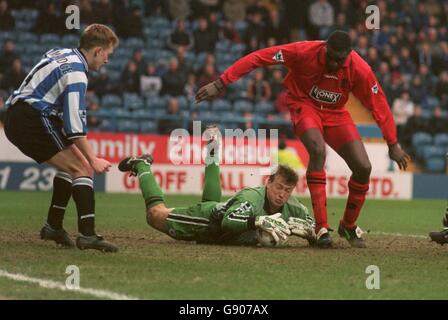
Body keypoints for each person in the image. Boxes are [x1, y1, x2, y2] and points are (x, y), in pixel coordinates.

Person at [195, 30, 410, 248]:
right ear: (325, 47)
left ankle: (348, 225)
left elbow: (379, 103)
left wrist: (392, 143)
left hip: (336, 113)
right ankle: (321, 228)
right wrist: (221, 82)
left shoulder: (360, 69)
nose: (335, 64)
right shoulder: (302, 51)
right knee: (317, 151)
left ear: (349, 54)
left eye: (340, 59)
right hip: (304, 105)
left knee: (364, 167)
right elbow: (258, 57)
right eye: (332, 57)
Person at [3, 24, 119, 252]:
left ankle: (53, 227)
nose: (107, 60)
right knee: (82, 169)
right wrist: (93, 158)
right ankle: (87, 235)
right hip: (31, 118)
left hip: (21, 114)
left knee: (70, 169)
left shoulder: (61, 52)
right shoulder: (77, 74)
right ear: (97, 51)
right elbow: (74, 127)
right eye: (107, 54)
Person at [117, 126, 316, 247]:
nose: (282, 194)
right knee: (155, 214)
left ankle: (213, 147)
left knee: (212, 201)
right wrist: (258, 221)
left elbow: (312, 224)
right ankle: (142, 164)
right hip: (207, 223)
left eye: (287, 190)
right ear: (268, 183)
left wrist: (312, 234)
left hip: (219, 213)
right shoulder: (253, 198)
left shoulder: (293, 206)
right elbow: (229, 221)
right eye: (279, 187)